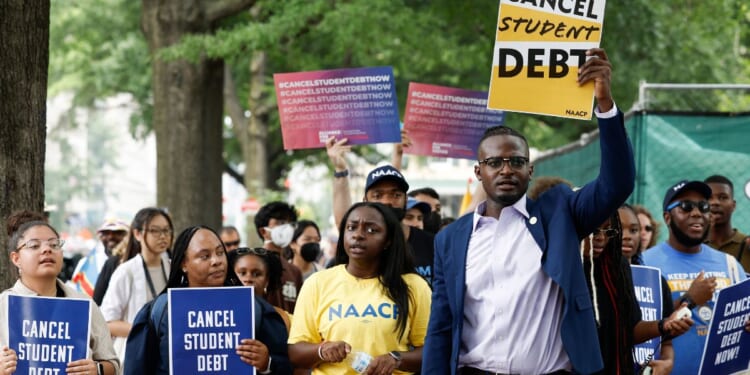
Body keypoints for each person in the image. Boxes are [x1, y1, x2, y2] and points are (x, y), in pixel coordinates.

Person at [422, 48, 634, 375]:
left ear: (530, 170)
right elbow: (441, 325)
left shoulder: (560, 212)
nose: (506, 170)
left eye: (516, 162)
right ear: (479, 172)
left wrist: (604, 104)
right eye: (495, 163)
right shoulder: (450, 239)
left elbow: (617, 183)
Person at [123, 225, 292, 374]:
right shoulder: (160, 311)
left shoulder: (253, 308)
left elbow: (286, 366)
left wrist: (267, 363)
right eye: (205, 256)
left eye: (220, 253)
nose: (217, 261)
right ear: (183, 263)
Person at [288, 202, 432, 374]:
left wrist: (396, 359)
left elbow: (432, 350)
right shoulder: (317, 283)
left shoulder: (414, 286)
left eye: (371, 230)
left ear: (388, 241)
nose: (358, 235)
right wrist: (322, 350)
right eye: (351, 227)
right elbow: (295, 352)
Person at [642, 179, 747, 375]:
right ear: (667, 217)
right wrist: (689, 300)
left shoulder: (730, 264)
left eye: (703, 206)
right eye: (686, 207)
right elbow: (636, 328)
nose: (697, 213)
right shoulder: (645, 264)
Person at [1, 220, 120, 375]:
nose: (46, 250)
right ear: (16, 259)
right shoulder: (3, 305)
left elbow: (113, 364)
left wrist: (97, 370)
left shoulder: (83, 304)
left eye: (54, 244)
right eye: (34, 245)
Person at [584, 209, 692, 375]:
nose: (626, 236)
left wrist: (664, 326)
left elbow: (632, 329)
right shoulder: (574, 270)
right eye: (594, 230)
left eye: (634, 230)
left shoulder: (639, 275)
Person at [325, 139, 436, 285]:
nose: (387, 201)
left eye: (396, 195)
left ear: (406, 200)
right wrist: (340, 169)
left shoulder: (433, 244)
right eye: (378, 195)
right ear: (365, 200)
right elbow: (343, 221)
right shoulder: (356, 249)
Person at [100, 207, 173, 365]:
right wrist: (145, 331)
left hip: (166, 354)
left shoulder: (172, 268)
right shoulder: (126, 272)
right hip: (134, 356)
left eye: (167, 231)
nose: (163, 236)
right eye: (155, 231)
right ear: (137, 234)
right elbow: (108, 322)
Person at [254, 201, 304, 313]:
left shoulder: (294, 272)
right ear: (263, 231)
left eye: (290, 223)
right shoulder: (252, 265)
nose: (287, 228)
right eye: (280, 222)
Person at [70, 218, 129, 297]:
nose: (111, 237)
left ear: (127, 237)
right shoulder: (85, 264)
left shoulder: (133, 263)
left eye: (117, 233)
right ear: (100, 237)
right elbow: (73, 292)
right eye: (106, 233)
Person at [704, 175, 750, 270]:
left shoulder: (746, 244)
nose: (715, 202)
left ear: (733, 205)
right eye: (709, 198)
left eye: (723, 197)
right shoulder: (692, 246)